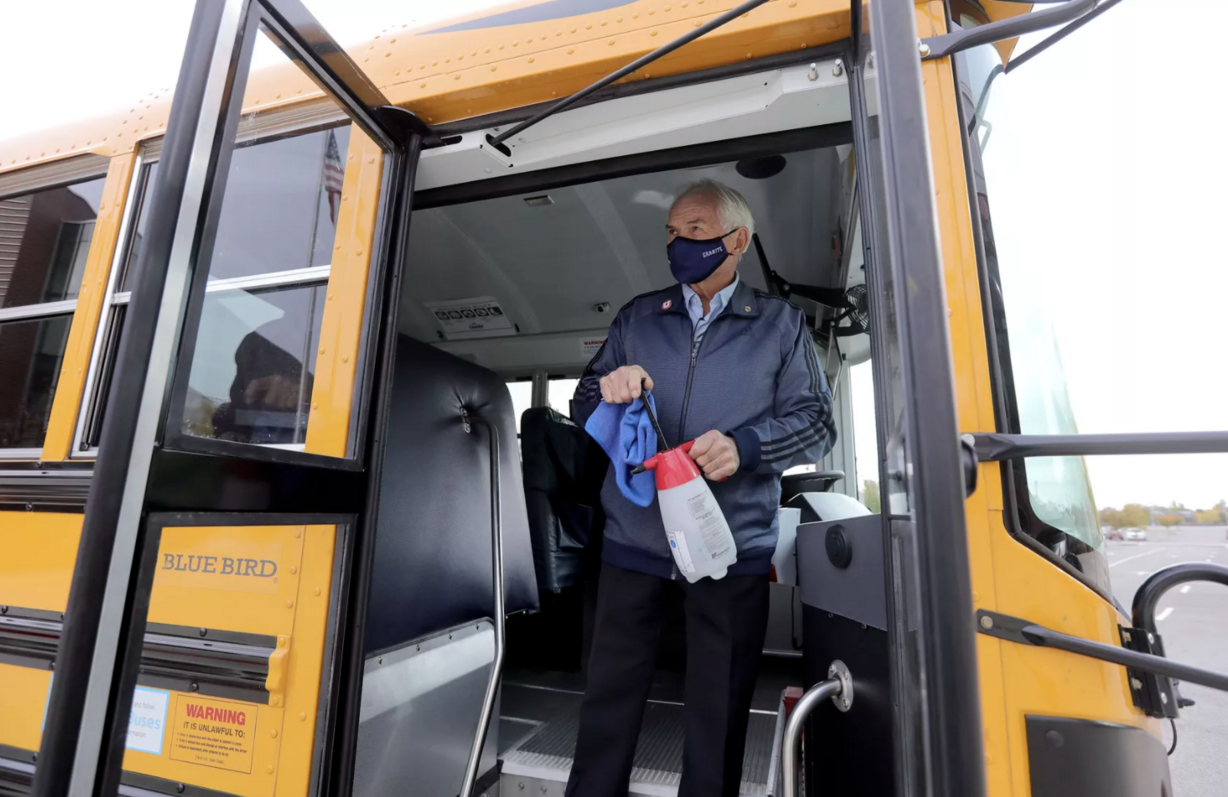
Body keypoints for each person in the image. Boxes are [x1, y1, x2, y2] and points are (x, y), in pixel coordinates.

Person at [567, 179, 836, 796]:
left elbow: (818, 423)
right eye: (671, 231)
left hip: (729, 550)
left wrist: (745, 448)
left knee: (718, 712)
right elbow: (583, 401)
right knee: (607, 703)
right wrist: (612, 385)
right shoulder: (639, 317)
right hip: (633, 543)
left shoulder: (780, 326)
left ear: (737, 240)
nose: (678, 243)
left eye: (694, 231)